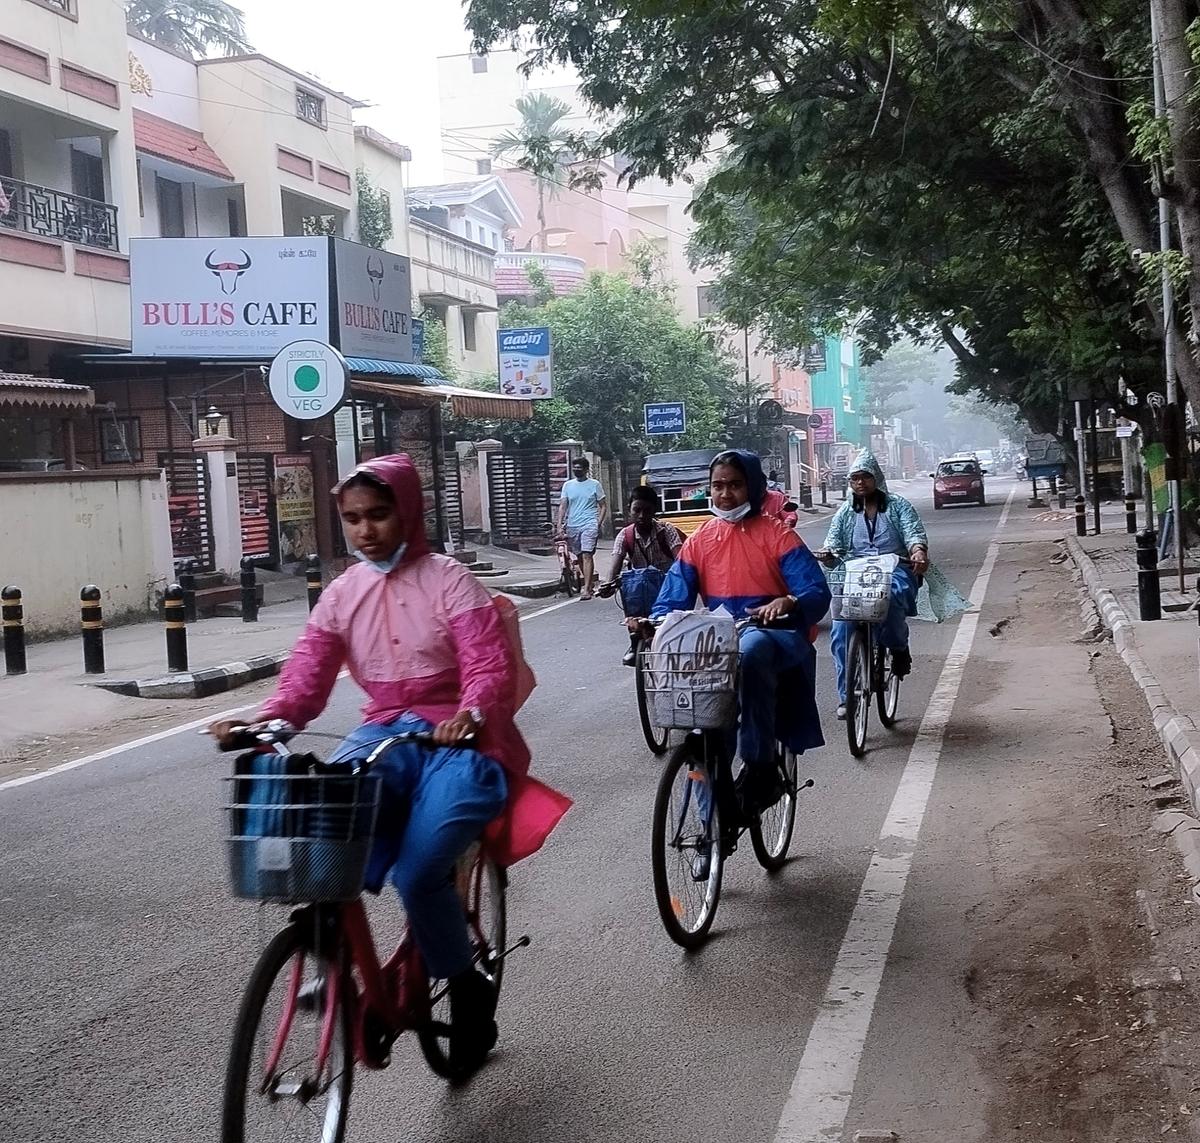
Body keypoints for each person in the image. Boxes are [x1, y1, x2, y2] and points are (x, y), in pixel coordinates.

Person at [209, 454, 569, 1080]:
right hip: (382, 733)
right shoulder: (341, 594)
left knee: (421, 869)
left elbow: (487, 665)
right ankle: (333, 955)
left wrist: (473, 712)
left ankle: (465, 985)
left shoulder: (451, 580)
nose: (366, 530)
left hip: (459, 742)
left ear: (407, 511)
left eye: (379, 514)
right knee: (317, 828)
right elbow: (304, 681)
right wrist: (264, 723)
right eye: (353, 519)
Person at [630, 449, 832, 812]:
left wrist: (788, 602)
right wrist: (655, 622)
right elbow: (673, 598)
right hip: (719, 638)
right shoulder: (700, 540)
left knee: (750, 652)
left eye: (735, 485)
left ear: (752, 487)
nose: (725, 495)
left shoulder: (777, 535)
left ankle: (761, 767)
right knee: (705, 722)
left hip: (772, 633)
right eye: (718, 486)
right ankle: (710, 827)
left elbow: (815, 592)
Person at [816, 449, 929, 720]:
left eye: (865, 477)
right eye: (854, 479)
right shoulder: (845, 511)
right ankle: (847, 697)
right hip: (855, 574)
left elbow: (913, 533)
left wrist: (918, 552)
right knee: (841, 630)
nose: (860, 483)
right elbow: (833, 543)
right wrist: (827, 552)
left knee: (891, 599)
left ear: (876, 478)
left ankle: (899, 648)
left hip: (895, 569)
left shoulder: (898, 505)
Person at [596, 485, 685, 665]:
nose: (642, 516)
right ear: (630, 510)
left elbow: (681, 560)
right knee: (630, 589)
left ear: (655, 511)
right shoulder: (624, 536)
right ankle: (635, 641)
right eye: (637, 510)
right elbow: (615, 565)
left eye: (647, 511)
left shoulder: (666, 531)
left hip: (666, 586)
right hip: (640, 590)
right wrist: (607, 584)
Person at [556, 456, 608, 599]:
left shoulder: (594, 484)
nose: (577, 470)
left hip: (589, 524)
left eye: (580, 468)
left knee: (587, 554)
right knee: (579, 556)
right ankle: (590, 583)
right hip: (573, 525)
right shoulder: (568, 485)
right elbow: (563, 506)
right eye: (575, 468)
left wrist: (598, 522)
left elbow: (603, 505)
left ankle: (585, 589)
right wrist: (559, 525)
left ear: (586, 470)